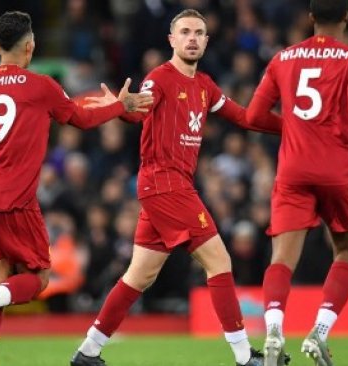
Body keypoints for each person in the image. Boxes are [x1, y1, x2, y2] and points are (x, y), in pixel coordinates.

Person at [71, 9, 285, 366]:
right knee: (219, 261)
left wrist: (290, 126)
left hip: (167, 187)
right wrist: (121, 108)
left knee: (139, 276)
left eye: (199, 33)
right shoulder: (161, 77)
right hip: (165, 183)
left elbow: (246, 118)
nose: (192, 38)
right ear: (171, 40)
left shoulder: (205, 86)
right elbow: (141, 109)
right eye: (184, 32)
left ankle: (87, 352)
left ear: (206, 40)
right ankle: (246, 357)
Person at [0, 11, 153, 366]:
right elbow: (81, 119)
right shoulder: (41, 87)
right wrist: (119, 105)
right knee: (37, 279)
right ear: (30, 47)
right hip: (14, 199)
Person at [245, 1, 348, 365]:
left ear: (310, 18)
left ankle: (273, 329)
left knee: (282, 258)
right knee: (347, 252)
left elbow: (254, 116)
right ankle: (319, 334)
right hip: (338, 170)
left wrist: (292, 126)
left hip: (293, 171)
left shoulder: (282, 59)